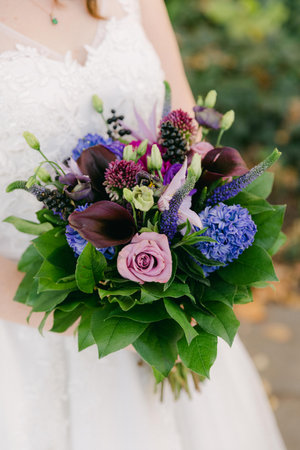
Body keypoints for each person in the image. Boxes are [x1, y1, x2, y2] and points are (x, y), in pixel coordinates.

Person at [0, 1, 286, 449]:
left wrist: (200, 250)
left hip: (170, 308)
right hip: (33, 325)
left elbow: (188, 128)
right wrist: (109, 314)